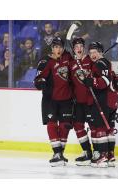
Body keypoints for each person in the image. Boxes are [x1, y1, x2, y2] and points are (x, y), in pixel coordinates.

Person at [34, 37, 73, 167]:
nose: (58, 49)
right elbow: (37, 80)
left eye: (60, 47)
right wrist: (41, 83)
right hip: (50, 100)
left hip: (66, 99)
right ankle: (56, 153)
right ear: (52, 48)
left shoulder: (67, 58)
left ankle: (60, 153)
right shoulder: (45, 61)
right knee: (52, 124)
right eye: (56, 47)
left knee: (64, 126)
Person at [83, 42, 115, 168]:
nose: (92, 54)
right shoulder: (99, 63)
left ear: (101, 52)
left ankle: (102, 156)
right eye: (90, 53)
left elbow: (105, 81)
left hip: (102, 99)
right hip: (103, 99)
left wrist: (92, 81)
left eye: (95, 52)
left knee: (100, 127)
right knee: (103, 128)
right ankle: (109, 156)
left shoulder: (101, 63)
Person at [70, 37, 93, 166]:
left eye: (80, 46)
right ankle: (87, 151)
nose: (79, 48)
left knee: (95, 127)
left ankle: (98, 153)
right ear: (73, 49)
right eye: (76, 47)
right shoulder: (72, 64)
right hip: (78, 102)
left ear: (84, 47)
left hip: (91, 100)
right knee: (78, 126)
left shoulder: (90, 60)